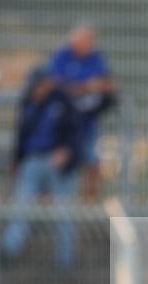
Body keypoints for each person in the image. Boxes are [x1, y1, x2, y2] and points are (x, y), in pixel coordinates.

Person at [1, 69, 83, 272]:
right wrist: (16, 160)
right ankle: (8, 252)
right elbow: (20, 133)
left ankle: (66, 262)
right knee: (22, 208)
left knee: (64, 213)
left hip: (59, 164)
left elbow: (76, 133)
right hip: (32, 161)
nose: (36, 90)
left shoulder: (63, 102)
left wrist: (67, 152)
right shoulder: (29, 102)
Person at [47, 24, 116, 201]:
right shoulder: (62, 57)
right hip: (64, 125)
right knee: (64, 162)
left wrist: (89, 87)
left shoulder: (96, 58)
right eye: (87, 41)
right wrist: (86, 87)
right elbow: (55, 85)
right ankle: (57, 201)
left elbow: (108, 84)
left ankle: (89, 203)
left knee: (92, 161)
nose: (90, 44)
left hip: (88, 124)